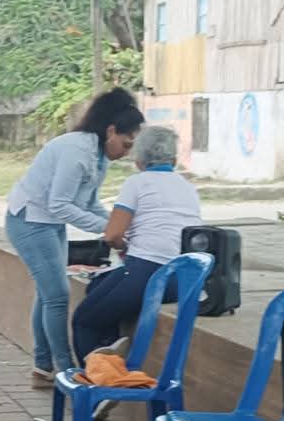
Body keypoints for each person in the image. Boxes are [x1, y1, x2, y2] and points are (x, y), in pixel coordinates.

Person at [6, 87, 144, 386]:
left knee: (48, 294)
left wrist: (118, 226)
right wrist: (107, 230)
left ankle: (43, 367)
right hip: (29, 221)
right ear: (111, 130)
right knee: (57, 295)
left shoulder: (99, 156)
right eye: (126, 143)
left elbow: (89, 203)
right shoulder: (77, 151)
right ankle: (66, 370)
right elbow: (60, 204)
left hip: (50, 223)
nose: (127, 152)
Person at [70, 125, 198, 366]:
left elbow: (113, 234)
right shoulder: (187, 186)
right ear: (173, 159)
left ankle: (102, 380)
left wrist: (123, 247)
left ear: (139, 160)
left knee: (84, 321)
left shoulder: (137, 183)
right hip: (180, 278)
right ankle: (111, 349)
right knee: (97, 287)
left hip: (147, 274)